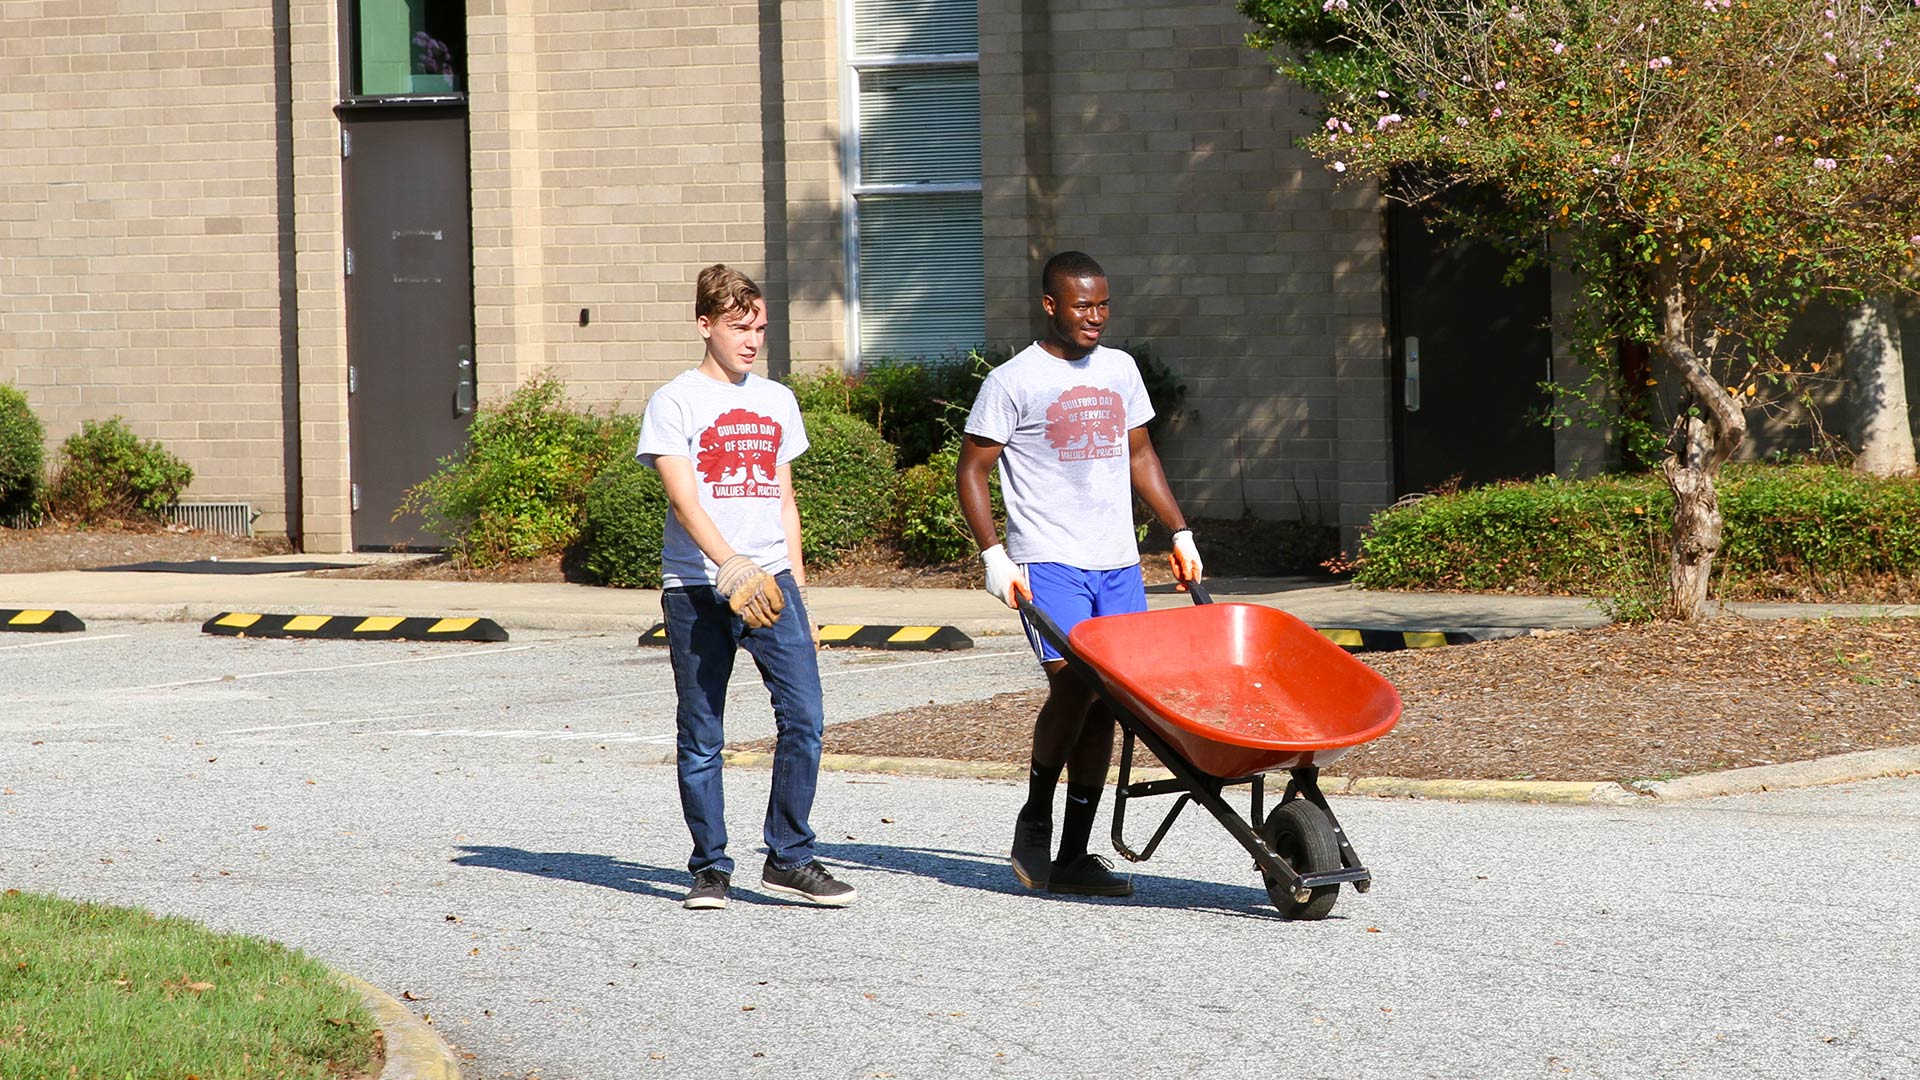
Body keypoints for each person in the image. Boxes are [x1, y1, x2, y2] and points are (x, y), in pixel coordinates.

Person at [956, 250, 1203, 897]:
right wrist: (992, 556)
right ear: (1049, 306)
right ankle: (1035, 817)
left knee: (1109, 703)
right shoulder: (1014, 381)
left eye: (1103, 305)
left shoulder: (1120, 369)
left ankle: (1073, 855)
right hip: (1048, 560)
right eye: (1081, 306)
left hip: (1117, 561)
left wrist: (1178, 531)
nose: (1094, 317)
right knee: (1075, 684)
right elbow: (972, 471)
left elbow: (1141, 454)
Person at [636, 264, 855, 911]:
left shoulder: (776, 401)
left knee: (805, 718)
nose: (752, 338)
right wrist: (728, 564)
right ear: (705, 325)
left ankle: (789, 856)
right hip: (698, 589)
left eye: (759, 326)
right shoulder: (675, 401)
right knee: (703, 733)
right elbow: (682, 497)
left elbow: (785, 501)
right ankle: (710, 868)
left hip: (773, 585)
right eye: (739, 326)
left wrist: (802, 595)